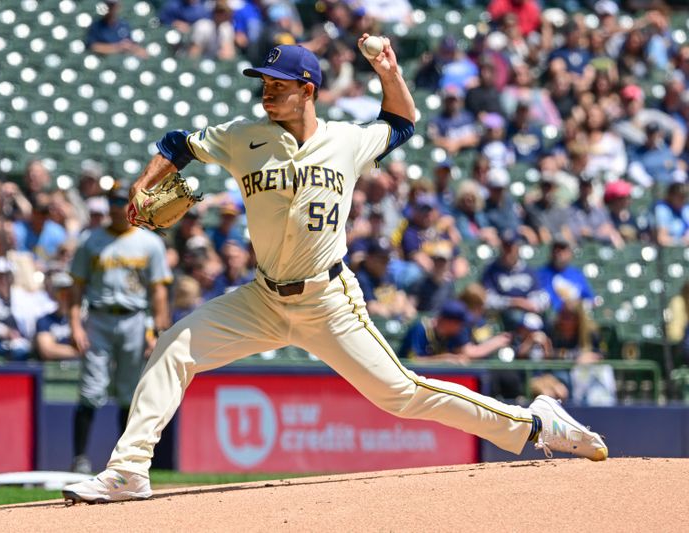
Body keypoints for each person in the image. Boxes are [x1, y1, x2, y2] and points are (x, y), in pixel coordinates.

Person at [63, 42, 607, 504]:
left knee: (401, 393)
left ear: (308, 88)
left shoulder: (347, 139)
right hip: (262, 298)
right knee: (173, 348)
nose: (266, 91)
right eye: (263, 82)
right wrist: (142, 184)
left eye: (278, 83)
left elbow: (401, 124)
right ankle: (130, 470)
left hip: (328, 299)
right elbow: (177, 144)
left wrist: (389, 72)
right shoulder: (242, 136)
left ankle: (537, 423)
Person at [68, 186, 172, 475]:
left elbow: (158, 291)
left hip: (134, 318)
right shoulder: (91, 241)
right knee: (91, 389)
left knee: (130, 392)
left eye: (123, 202)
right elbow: (76, 288)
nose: (118, 208)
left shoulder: (150, 243)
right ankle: (79, 459)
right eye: (114, 202)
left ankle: (125, 461)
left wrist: (157, 330)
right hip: (99, 317)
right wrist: (75, 324)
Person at [34, 270, 79, 361]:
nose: (66, 297)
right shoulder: (45, 320)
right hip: (54, 371)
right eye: (62, 293)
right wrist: (78, 352)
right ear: (54, 294)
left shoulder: (82, 320)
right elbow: (47, 350)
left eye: (70, 293)